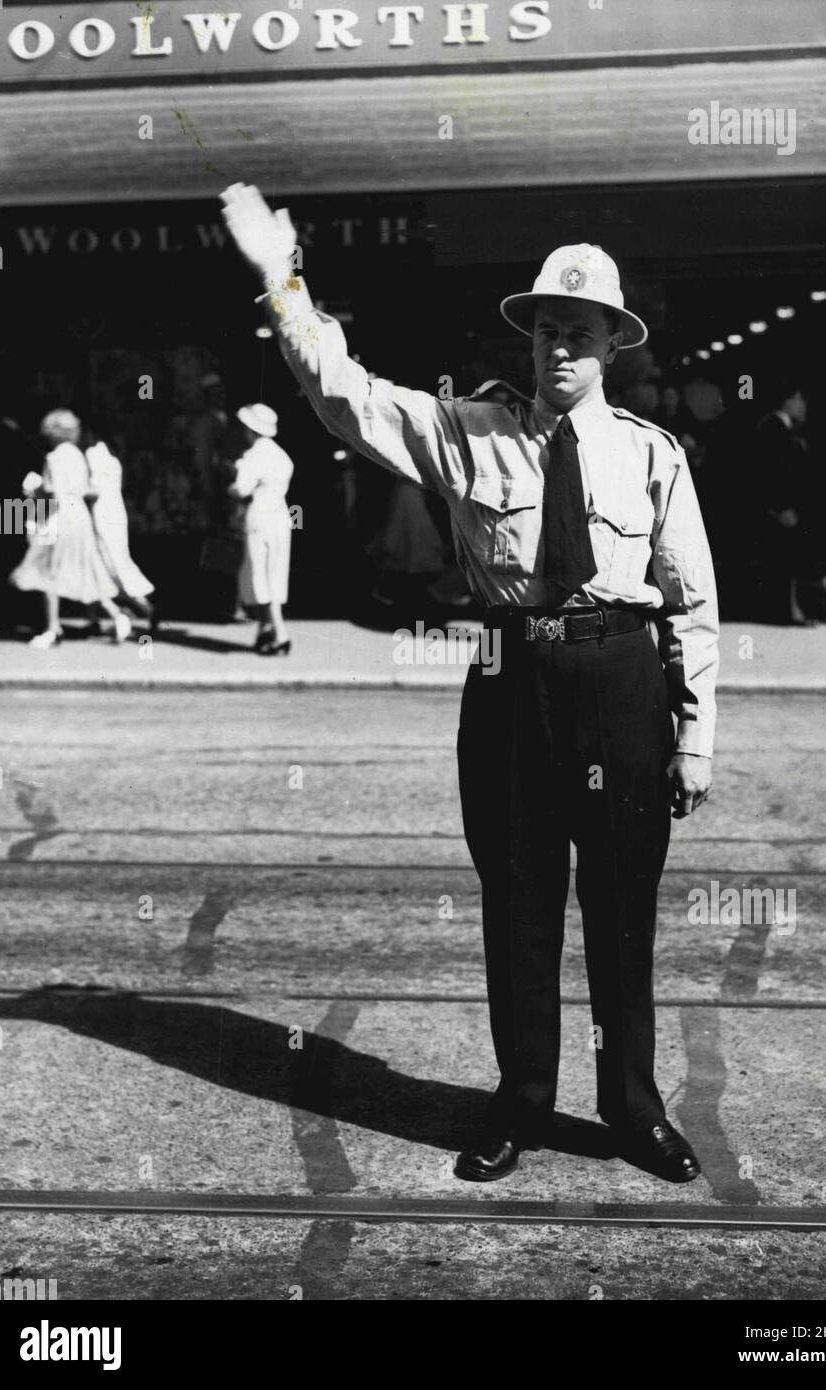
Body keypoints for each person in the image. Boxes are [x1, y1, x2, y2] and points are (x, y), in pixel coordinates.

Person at [221, 184, 718, 1184]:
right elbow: (344, 395)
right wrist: (282, 285)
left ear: (613, 343)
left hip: (621, 677)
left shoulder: (651, 455)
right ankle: (520, 1103)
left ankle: (632, 1111)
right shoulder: (465, 430)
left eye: (579, 333)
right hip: (508, 676)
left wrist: (695, 731)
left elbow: (691, 599)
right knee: (519, 902)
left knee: (623, 916)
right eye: (545, 332)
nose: (558, 350)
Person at [9, 409, 131, 648]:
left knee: (49, 573)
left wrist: (33, 490)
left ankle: (52, 628)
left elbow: (51, 491)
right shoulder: (77, 455)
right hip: (80, 517)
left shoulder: (53, 458)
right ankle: (117, 614)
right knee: (86, 569)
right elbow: (87, 489)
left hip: (59, 516)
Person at [229, 403, 294, 654]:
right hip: (280, 517)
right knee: (275, 574)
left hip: (258, 519)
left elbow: (241, 489)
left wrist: (231, 487)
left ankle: (280, 634)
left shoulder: (252, 457)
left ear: (250, 430)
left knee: (258, 577)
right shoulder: (282, 456)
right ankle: (264, 632)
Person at [753, 381, 816, 626]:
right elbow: (772, 473)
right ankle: (788, 612)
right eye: (801, 399)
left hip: (780, 508)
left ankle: (788, 610)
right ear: (788, 400)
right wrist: (779, 507)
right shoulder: (775, 428)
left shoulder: (776, 426)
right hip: (780, 509)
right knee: (783, 561)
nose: (804, 405)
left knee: (782, 561)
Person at [84, 431, 157, 632]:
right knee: (112, 563)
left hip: (100, 516)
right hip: (115, 513)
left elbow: (94, 489)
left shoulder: (93, 454)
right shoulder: (112, 458)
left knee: (102, 564)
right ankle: (95, 617)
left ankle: (143, 608)